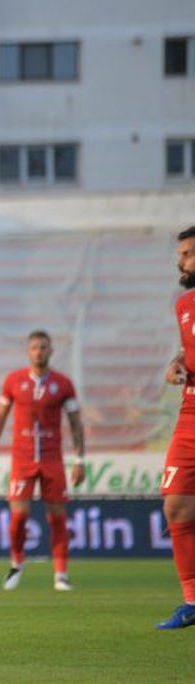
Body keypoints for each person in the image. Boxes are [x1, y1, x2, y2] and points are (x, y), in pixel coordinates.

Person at [0, 331, 86, 591]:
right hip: (23, 458)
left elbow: (76, 423)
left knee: (58, 519)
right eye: (34, 348)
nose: (39, 352)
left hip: (52, 458)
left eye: (43, 347)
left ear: (51, 351)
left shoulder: (63, 384)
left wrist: (80, 459)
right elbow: (0, 417)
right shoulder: (14, 381)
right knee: (18, 518)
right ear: (27, 352)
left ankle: (61, 574)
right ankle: (17, 563)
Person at [158, 225, 195, 630]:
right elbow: (189, 350)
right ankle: (192, 600)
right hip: (189, 415)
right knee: (176, 504)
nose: (179, 261)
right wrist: (176, 364)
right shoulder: (185, 304)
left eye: (186, 254)